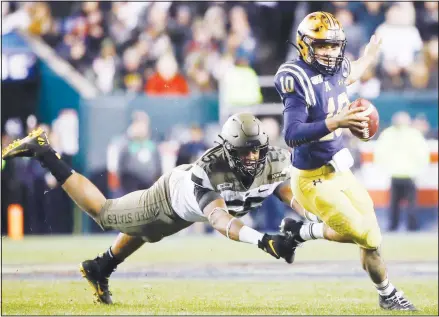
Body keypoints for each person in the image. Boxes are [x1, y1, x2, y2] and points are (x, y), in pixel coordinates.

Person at [2, 113, 313, 305]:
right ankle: (43, 151)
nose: (252, 158)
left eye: (256, 150)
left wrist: (308, 213)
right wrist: (263, 240)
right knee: (105, 214)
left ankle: (101, 267)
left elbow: (281, 187)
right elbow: (220, 220)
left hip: (182, 210)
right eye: (244, 153)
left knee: (149, 232)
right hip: (169, 196)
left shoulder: (273, 159)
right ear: (228, 151)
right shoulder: (211, 170)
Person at [273, 12, 416, 311]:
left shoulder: (337, 69)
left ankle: (386, 294)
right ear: (305, 45)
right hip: (310, 179)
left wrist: (369, 56)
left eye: (335, 46)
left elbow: (355, 71)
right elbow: (292, 133)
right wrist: (335, 121)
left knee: (373, 240)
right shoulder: (295, 76)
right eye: (323, 46)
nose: (330, 52)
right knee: (362, 232)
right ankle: (304, 231)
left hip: (340, 172)